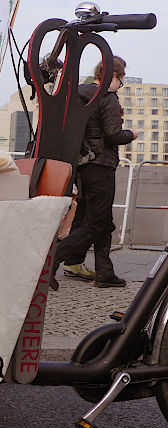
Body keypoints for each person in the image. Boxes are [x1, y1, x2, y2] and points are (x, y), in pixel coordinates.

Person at [52, 56, 136, 290]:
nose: (120, 85)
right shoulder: (107, 97)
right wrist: (131, 134)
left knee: (102, 221)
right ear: (115, 76)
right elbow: (112, 134)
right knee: (96, 222)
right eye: (122, 80)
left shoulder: (82, 95)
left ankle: (105, 273)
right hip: (102, 165)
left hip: (84, 165)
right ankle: (52, 261)